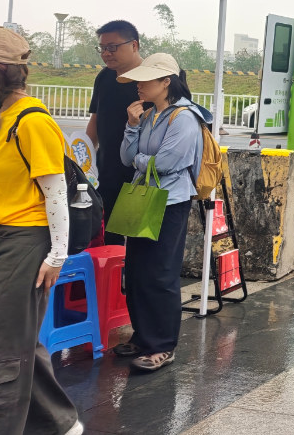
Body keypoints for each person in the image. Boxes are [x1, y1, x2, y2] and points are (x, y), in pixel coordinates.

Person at [0, 26, 82, 435]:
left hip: (21, 241)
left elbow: (56, 192)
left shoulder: (32, 121)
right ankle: (58, 423)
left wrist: (57, 255)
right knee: (13, 335)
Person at [115, 53, 211, 372]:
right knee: (137, 272)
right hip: (144, 197)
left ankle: (162, 346)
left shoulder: (183, 117)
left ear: (166, 82)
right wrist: (132, 127)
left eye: (145, 80)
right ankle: (143, 336)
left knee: (160, 273)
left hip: (169, 202)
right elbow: (126, 157)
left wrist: (139, 160)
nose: (138, 86)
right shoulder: (149, 115)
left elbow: (168, 163)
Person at [86, 21, 144, 245]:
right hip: (106, 171)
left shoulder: (153, 80)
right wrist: (84, 160)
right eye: (102, 48)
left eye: (112, 47)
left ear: (134, 45)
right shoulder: (104, 77)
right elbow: (95, 119)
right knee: (109, 238)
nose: (105, 53)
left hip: (139, 175)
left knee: (139, 240)